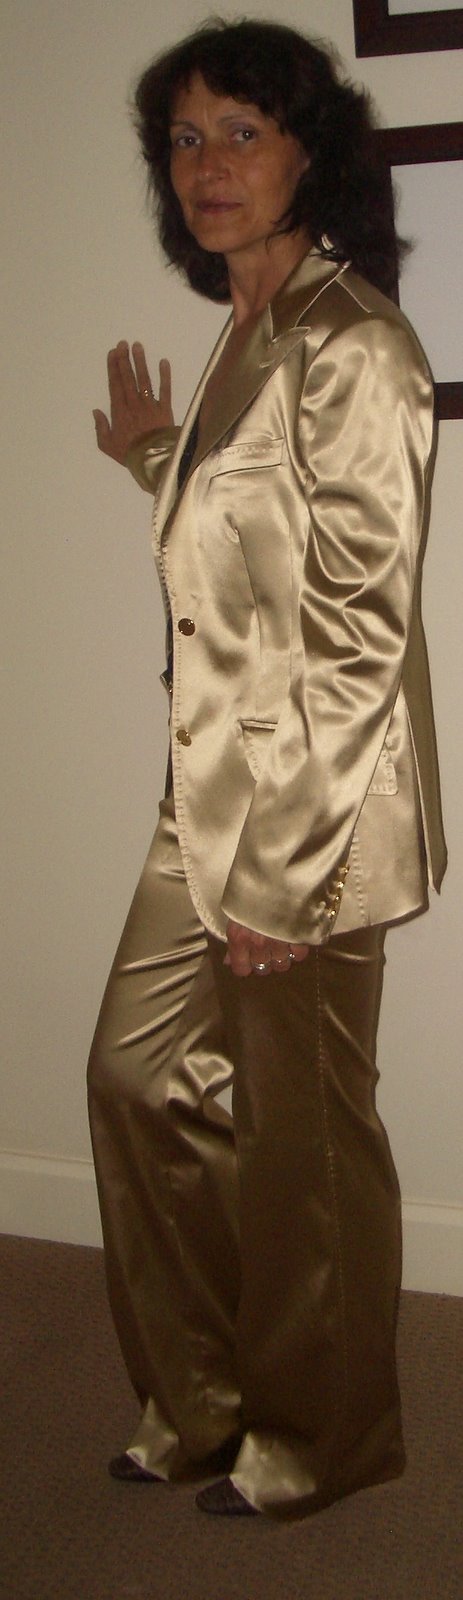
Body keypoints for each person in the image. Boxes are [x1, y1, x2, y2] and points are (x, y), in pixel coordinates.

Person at [88, 18, 446, 1519]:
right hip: (206, 801)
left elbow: (359, 629)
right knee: (137, 1081)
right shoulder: (251, 329)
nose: (208, 164)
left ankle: (319, 1438)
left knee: (301, 1141)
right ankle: (201, 1397)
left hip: (314, 813)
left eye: (242, 131)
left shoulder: (358, 343)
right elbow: (255, 542)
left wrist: (289, 879)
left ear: (312, 153)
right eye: (186, 138)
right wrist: (155, 460)